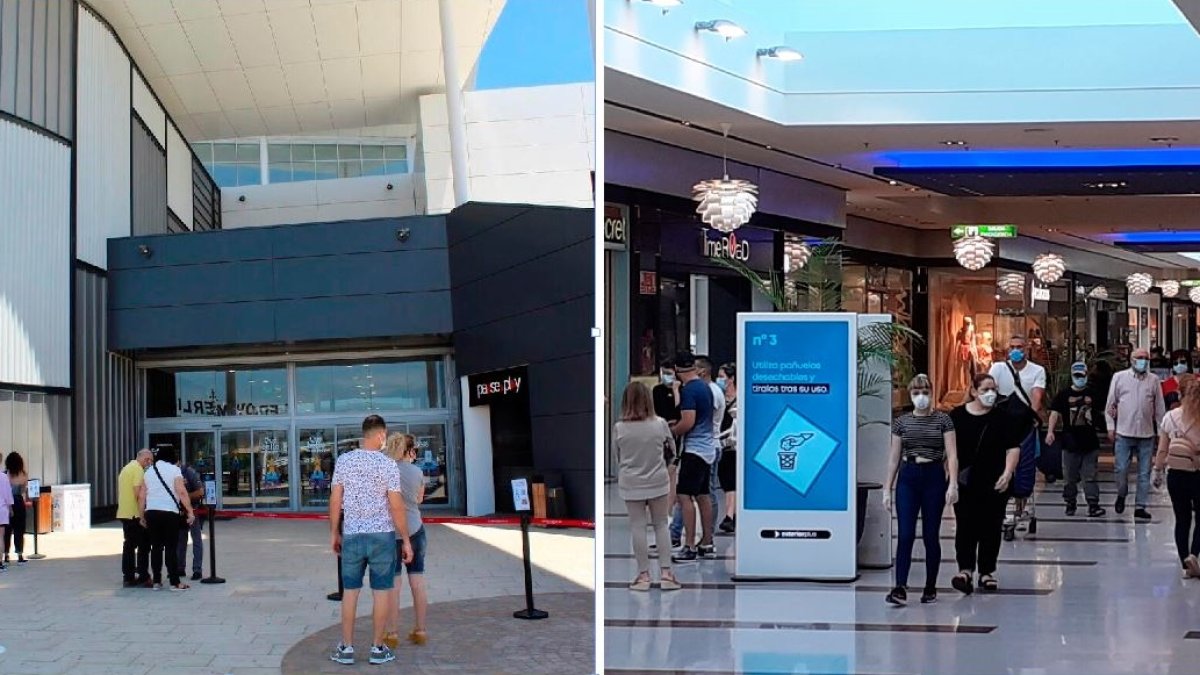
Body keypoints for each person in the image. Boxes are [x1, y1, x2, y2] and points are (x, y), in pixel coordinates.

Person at [329, 415, 413, 667]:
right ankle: (377, 648)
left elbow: (335, 499)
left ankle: (346, 647)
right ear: (380, 436)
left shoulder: (344, 461)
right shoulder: (388, 465)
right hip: (382, 537)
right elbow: (396, 505)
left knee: (350, 593)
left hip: (353, 535)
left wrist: (334, 532)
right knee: (381, 592)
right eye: (384, 435)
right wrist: (406, 539)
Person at [882, 375, 958, 606]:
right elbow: (893, 459)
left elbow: (952, 454)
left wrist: (952, 483)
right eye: (916, 392)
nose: (921, 397)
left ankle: (930, 585)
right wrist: (887, 488)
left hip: (933, 476)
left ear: (931, 392)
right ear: (910, 394)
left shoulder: (943, 420)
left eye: (924, 391)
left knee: (930, 535)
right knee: (905, 534)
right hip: (909, 477)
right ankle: (900, 586)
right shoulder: (901, 422)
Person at [949, 374, 1023, 594]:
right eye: (985, 389)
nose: (990, 394)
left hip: (995, 481)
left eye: (993, 389)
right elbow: (950, 451)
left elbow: (1013, 447)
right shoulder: (958, 416)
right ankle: (965, 570)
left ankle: (987, 571)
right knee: (965, 525)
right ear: (974, 391)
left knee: (991, 526)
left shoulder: (1003, 417)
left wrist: (1008, 472)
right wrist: (951, 481)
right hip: (966, 481)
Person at [614, 381, 680, 591]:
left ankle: (643, 576)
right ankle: (667, 574)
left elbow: (618, 457)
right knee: (661, 525)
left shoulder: (620, 428)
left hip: (631, 482)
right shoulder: (659, 423)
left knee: (637, 526)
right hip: (658, 480)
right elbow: (672, 449)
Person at [1106, 346, 1167, 521]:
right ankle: (1121, 493)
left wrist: (1161, 431)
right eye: (1140, 358)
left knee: (1144, 473)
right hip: (1124, 432)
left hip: (1147, 434)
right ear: (1132, 360)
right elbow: (1111, 405)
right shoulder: (1119, 378)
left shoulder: (1154, 380)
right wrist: (1111, 426)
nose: (1143, 361)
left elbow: (1159, 408)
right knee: (1121, 469)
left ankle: (1140, 506)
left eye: (1146, 358)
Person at [669, 352, 718, 564]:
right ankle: (707, 542)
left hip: (694, 450)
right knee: (703, 495)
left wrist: (671, 431)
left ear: (678, 370)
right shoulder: (705, 388)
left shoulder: (689, 390)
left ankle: (688, 545)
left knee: (684, 496)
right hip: (708, 449)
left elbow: (688, 421)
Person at [384, 433, 431, 649]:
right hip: (415, 528)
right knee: (417, 581)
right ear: (409, 451)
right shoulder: (417, 472)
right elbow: (419, 499)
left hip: (391, 532)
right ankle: (420, 630)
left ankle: (392, 633)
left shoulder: (385, 471)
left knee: (394, 584)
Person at [1154, 376, 1200, 578]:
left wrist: (1157, 470)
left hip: (1175, 474)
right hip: (1197, 473)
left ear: (1180, 394)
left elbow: (1162, 449)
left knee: (1182, 519)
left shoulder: (1170, 417)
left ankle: (1184, 565)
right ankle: (1194, 555)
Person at [1047, 363, 1106, 518]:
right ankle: (1070, 503)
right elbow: (1054, 413)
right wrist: (1050, 432)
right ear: (1073, 376)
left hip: (1090, 442)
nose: (1080, 378)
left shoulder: (1093, 394)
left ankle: (1093, 504)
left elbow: (1104, 411)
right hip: (1070, 442)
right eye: (1077, 376)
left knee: (1090, 475)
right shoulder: (1063, 395)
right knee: (1069, 477)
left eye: (1083, 375)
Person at [138, 446, 195, 591]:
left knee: (156, 547)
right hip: (170, 513)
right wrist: (190, 511)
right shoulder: (174, 470)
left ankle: (157, 581)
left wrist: (141, 515)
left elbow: (142, 495)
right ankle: (174, 582)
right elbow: (181, 492)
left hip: (152, 512)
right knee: (171, 547)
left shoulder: (148, 471)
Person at [118, 449, 153, 587]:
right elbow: (138, 494)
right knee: (144, 545)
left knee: (129, 545)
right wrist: (143, 515)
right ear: (140, 457)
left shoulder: (126, 469)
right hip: (135, 514)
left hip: (124, 512)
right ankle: (143, 575)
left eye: (151, 460)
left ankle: (128, 576)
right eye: (147, 459)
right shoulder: (138, 470)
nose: (149, 463)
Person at [175, 457, 205, 581]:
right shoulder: (172, 473)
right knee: (180, 540)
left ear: (178, 462)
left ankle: (197, 569)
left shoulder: (189, 472)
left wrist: (184, 497)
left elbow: (200, 491)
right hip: (179, 511)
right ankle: (180, 568)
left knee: (196, 539)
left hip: (193, 509)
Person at [716, 363, 738, 534]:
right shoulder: (719, 398)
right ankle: (733, 513)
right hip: (721, 443)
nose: (720, 380)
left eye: (723, 376)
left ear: (731, 379)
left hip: (735, 445)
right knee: (726, 481)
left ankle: (729, 516)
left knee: (732, 481)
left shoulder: (741, 399)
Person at [3, 451, 28, 565]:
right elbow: (23, 490)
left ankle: (6, 555)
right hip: (18, 501)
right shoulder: (23, 474)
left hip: (7, 503)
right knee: (19, 530)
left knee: (7, 530)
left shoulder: (5, 474)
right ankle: (20, 555)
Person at [0, 453, 11, 573]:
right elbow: (8, 496)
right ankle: (0, 563)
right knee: (0, 537)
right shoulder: (4, 477)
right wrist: (11, 509)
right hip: (1, 510)